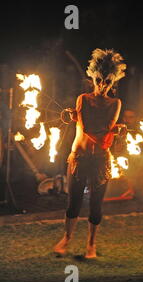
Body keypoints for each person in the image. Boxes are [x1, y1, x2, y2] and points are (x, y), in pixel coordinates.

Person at [54, 48, 127, 258]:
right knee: (73, 203)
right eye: (99, 80)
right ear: (93, 79)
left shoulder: (116, 104)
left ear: (112, 83)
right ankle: (66, 239)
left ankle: (91, 245)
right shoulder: (83, 99)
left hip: (101, 161)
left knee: (96, 206)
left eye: (107, 82)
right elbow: (87, 127)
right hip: (79, 159)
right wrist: (74, 116)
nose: (102, 86)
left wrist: (117, 129)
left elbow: (106, 125)